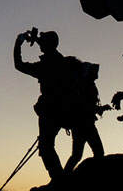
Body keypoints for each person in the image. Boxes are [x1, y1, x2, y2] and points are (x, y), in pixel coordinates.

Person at [14, 28, 103, 180]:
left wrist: (19, 42)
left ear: (47, 45)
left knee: (46, 146)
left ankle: (59, 180)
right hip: (68, 111)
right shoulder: (65, 62)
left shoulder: (45, 65)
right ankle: (62, 179)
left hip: (51, 111)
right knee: (71, 152)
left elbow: (19, 65)